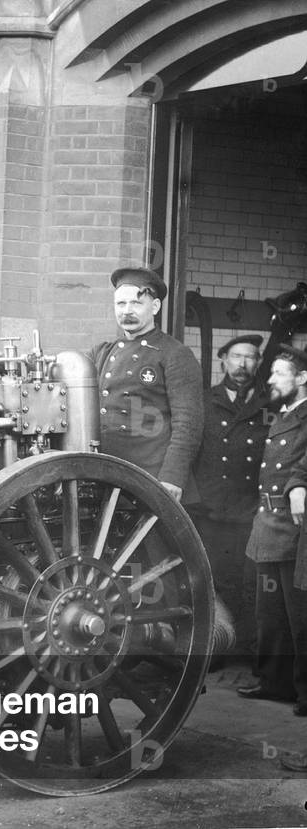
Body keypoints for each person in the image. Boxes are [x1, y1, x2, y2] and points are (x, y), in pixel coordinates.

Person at [89, 267, 203, 500]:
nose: (127, 311)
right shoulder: (101, 353)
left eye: (136, 304)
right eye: (120, 304)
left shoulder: (175, 354)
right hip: (106, 476)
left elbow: (188, 422)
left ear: (155, 307)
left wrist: (172, 476)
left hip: (151, 479)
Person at [189, 334, 271, 660]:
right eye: (236, 356)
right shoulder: (203, 401)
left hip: (247, 512)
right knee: (209, 583)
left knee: (248, 584)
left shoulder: (268, 405)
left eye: (250, 357)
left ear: (258, 363)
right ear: (223, 359)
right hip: (208, 510)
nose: (242, 364)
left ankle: (246, 651)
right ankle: (217, 650)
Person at [237, 344, 307, 717]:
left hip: (296, 529)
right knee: (271, 615)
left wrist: (300, 483)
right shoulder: (282, 415)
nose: (270, 379)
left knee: (301, 617)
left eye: (279, 373)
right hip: (268, 525)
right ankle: (275, 682)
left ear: (302, 379)